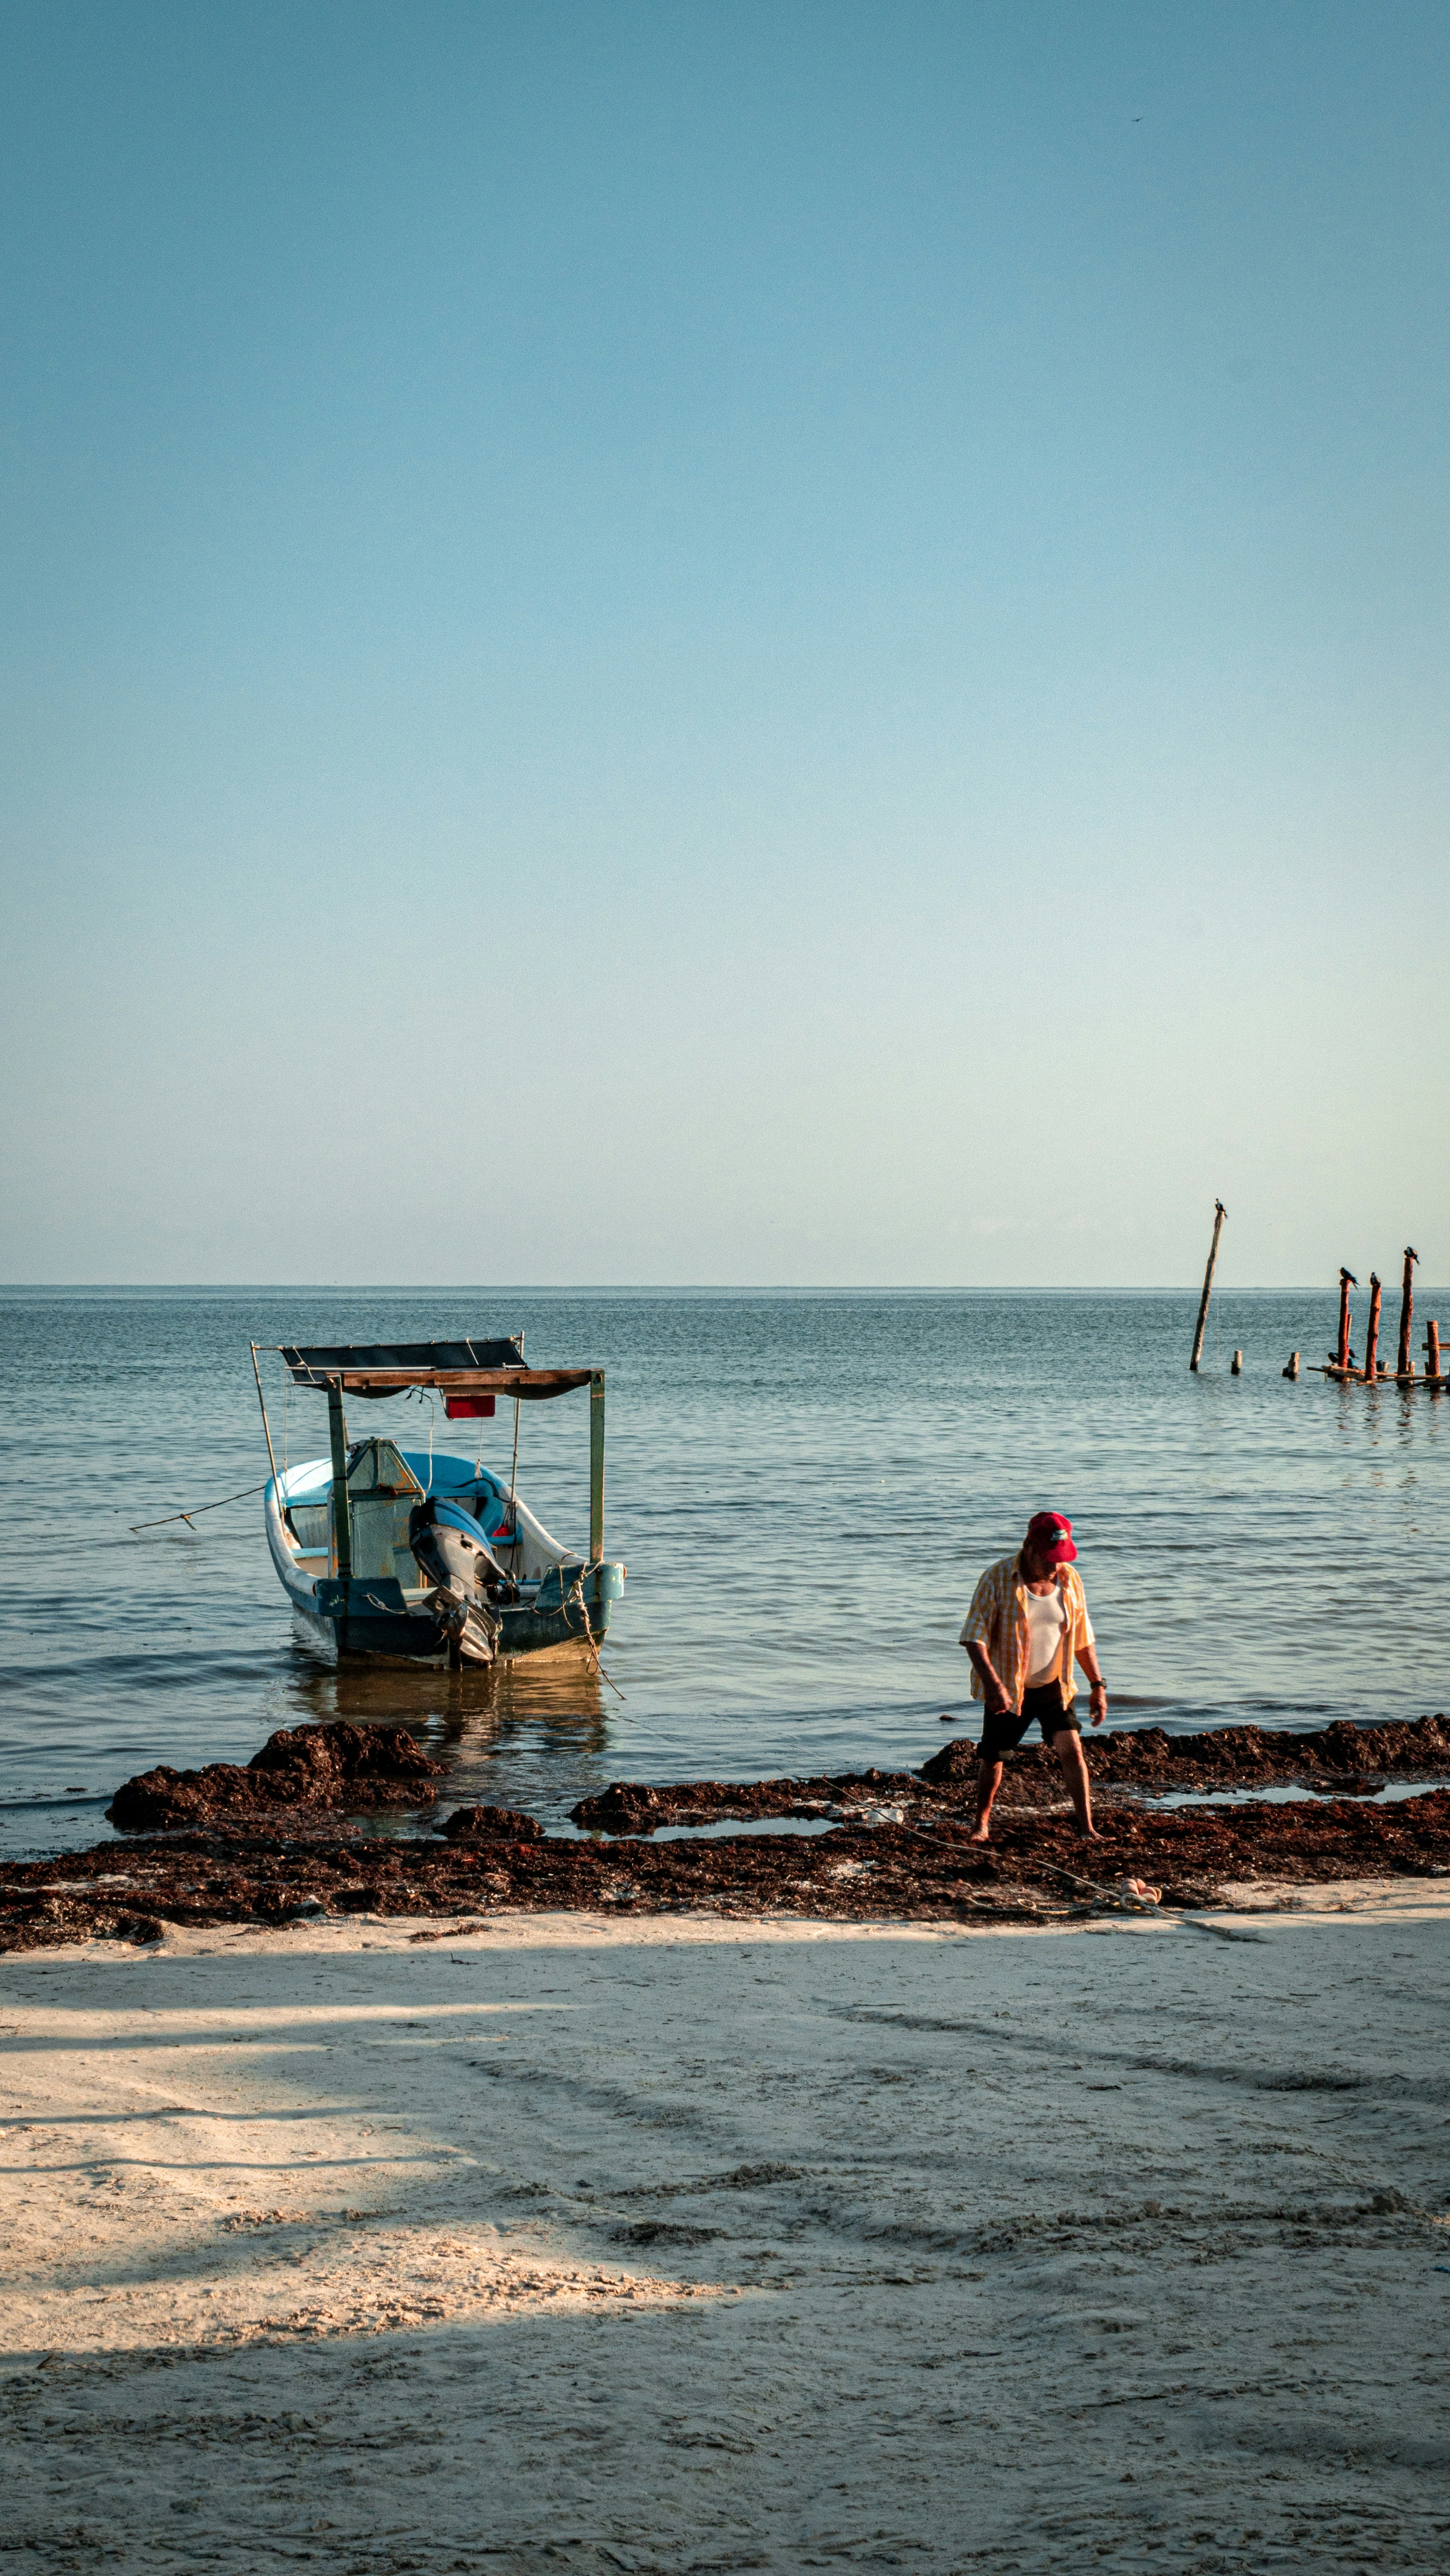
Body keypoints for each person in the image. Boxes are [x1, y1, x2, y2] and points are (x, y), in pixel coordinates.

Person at [957, 1511, 1107, 1841]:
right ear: (1028, 1546)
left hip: (1055, 1686)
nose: (1056, 1566)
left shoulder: (1070, 1580)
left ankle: (1086, 1828)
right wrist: (994, 1685)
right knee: (994, 1757)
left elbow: (1083, 1637)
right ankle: (981, 1824)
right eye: (1049, 1558)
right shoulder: (997, 1578)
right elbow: (973, 1637)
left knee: (1073, 1752)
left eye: (1061, 1558)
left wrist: (1097, 1685)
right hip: (1010, 1689)